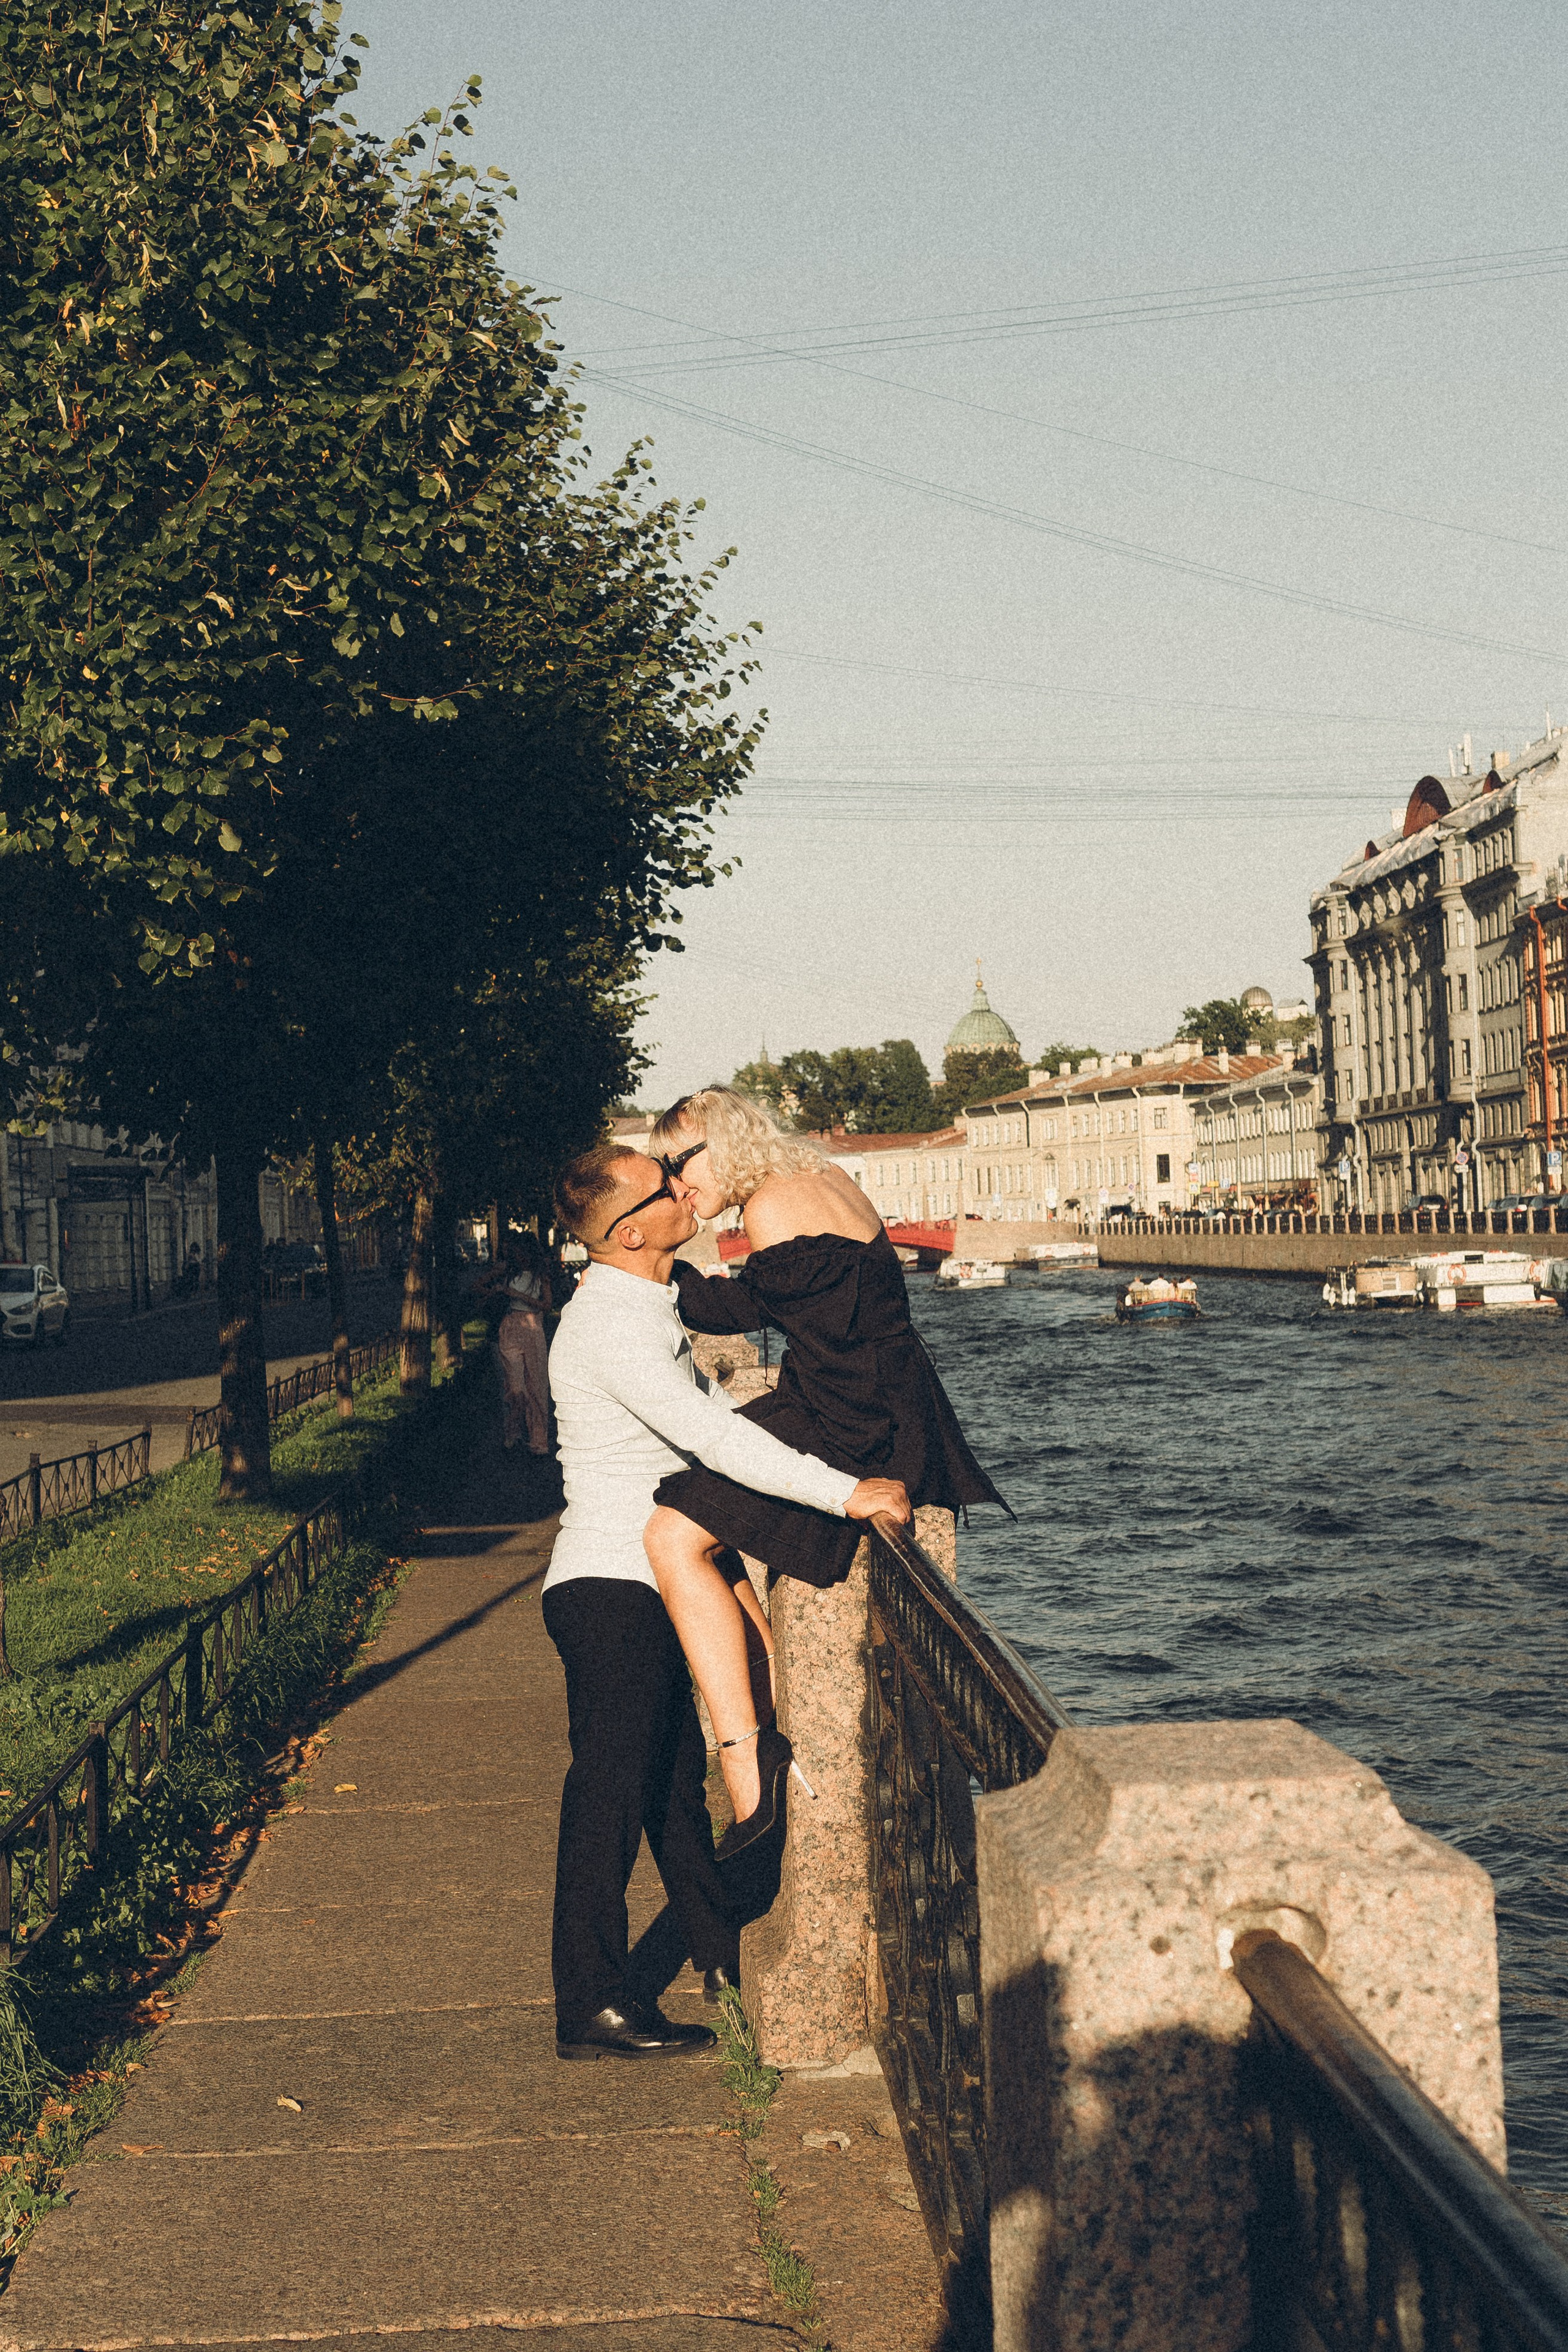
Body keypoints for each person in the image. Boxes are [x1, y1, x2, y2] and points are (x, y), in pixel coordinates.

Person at [543, 1141, 910, 2063]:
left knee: (668, 1794)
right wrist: (848, 1491)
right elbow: (715, 1441)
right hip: (611, 1589)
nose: (682, 1187)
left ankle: (721, 1960)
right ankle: (587, 2001)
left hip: (634, 1581)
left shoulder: (643, 1302)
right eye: (663, 1186)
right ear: (631, 1232)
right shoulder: (614, 1328)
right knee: (611, 1793)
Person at [643, 1087, 1006, 1846]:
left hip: (856, 1419)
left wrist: (643, 1258)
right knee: (697, 1500)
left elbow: (733, 1315)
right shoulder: (818, 1177)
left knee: (676, 1528)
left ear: (720, 1142)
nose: (676, 1185)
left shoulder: (774, 1205)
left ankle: (753, 1753)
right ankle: (769, 1697)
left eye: (677, 1164)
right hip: (872, 1396)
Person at [478, 1234, 552, 1453]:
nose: (518, 1256)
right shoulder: (507, 1270)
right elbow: (477, 1286)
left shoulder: (541, 1274)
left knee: (537, 1388)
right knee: (515, 1387)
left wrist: (515, 1293)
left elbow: (547, 1305)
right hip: (510, 1328)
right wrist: (494, 1292)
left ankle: (538, 1441)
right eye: (516, 1252)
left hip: (533, 1327)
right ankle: (513, 1432)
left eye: (521, 1251)